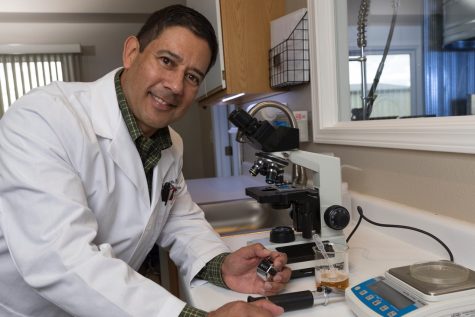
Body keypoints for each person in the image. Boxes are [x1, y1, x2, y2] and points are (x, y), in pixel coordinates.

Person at [0, 4, 291, 317]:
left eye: (192, 77)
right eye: (166, 61)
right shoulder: (42, 117)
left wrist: (222, 267)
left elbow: (179, 220)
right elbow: (59, 259)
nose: (176, 86)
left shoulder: (170, 143)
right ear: (132, 52)